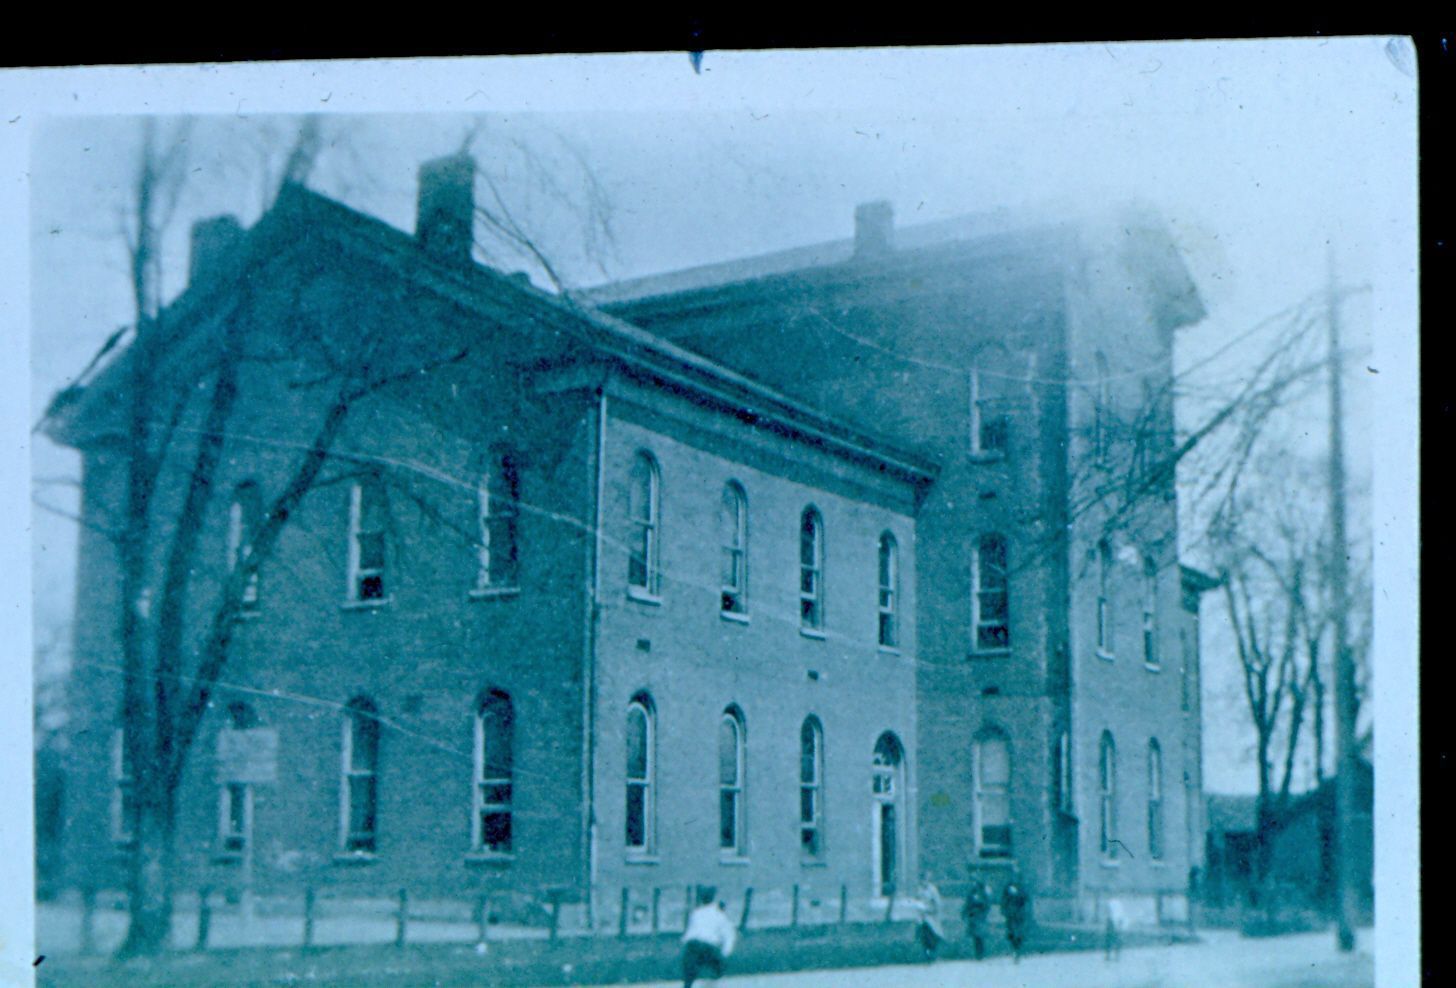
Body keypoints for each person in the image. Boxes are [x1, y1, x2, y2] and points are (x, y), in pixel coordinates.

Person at [681, 885, 736, 988]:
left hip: (692, 945)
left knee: (689, 976)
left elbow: (689, 933)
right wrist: (724, 953)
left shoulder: (696, 913)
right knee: (720, 967)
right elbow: (729, 936)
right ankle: (710, 984)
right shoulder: (720, 915)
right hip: (707, 947)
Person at [1001, 874, 1031, 963]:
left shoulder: (1022, 888)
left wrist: (1024, 911)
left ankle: (1017, 951)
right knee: (1011, 933)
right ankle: (1014, 949)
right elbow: (1004, 900)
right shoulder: (1007, 888)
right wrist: (1004, 910)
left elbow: (1026, 900)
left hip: (1019, 914)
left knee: (1018, 933)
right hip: (1010, 914)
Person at [960, 875, 992, 960]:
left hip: (980, 916)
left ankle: (980, 953)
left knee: (980, 935)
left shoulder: (983, 892)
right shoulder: (972, 892)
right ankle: (978, 953)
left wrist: (981, 909)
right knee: (975, 936)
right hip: (973, 916)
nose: (973, 884)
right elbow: (967, 903)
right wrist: (964, 913)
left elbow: (987, 904)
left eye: (975, 882)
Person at [914, 874, 945, 961]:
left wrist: (932, 909)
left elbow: (937, 903)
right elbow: (917, 900)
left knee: (933, 935)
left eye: (925, 880)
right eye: (921, 880)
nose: (923, 882)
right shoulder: (919, 889)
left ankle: (933, 953)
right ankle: (926, 954)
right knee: (923, 936)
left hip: (931, 916)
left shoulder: (932, 890)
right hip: (922, 917)